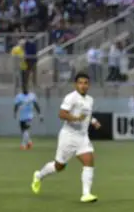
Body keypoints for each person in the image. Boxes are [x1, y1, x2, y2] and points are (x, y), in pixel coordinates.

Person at [31, 72, 102, 203]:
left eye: (85, 83)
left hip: (82, 137)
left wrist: (93, 121)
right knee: (59, 166)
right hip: (68, 137)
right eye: (80, 83)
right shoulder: (71, 98)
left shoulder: (90, 100)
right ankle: (39, 175)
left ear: (89, 85)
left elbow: (86, 115)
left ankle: (86, 194)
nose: (83, 85)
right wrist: (75, 118)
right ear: (75, 85)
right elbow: (62, 114)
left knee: (89, 161)